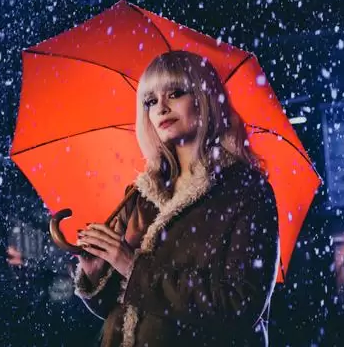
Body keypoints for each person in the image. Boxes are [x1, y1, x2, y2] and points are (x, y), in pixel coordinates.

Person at [72, 50, 280, 347]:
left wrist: (134, 267)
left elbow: (239, 305)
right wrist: (96, 274)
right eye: (150, 101)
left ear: (205, 98)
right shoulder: (142, 195)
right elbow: (123, 307)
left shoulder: (245, 191)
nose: (161, 108)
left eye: (175, 93)